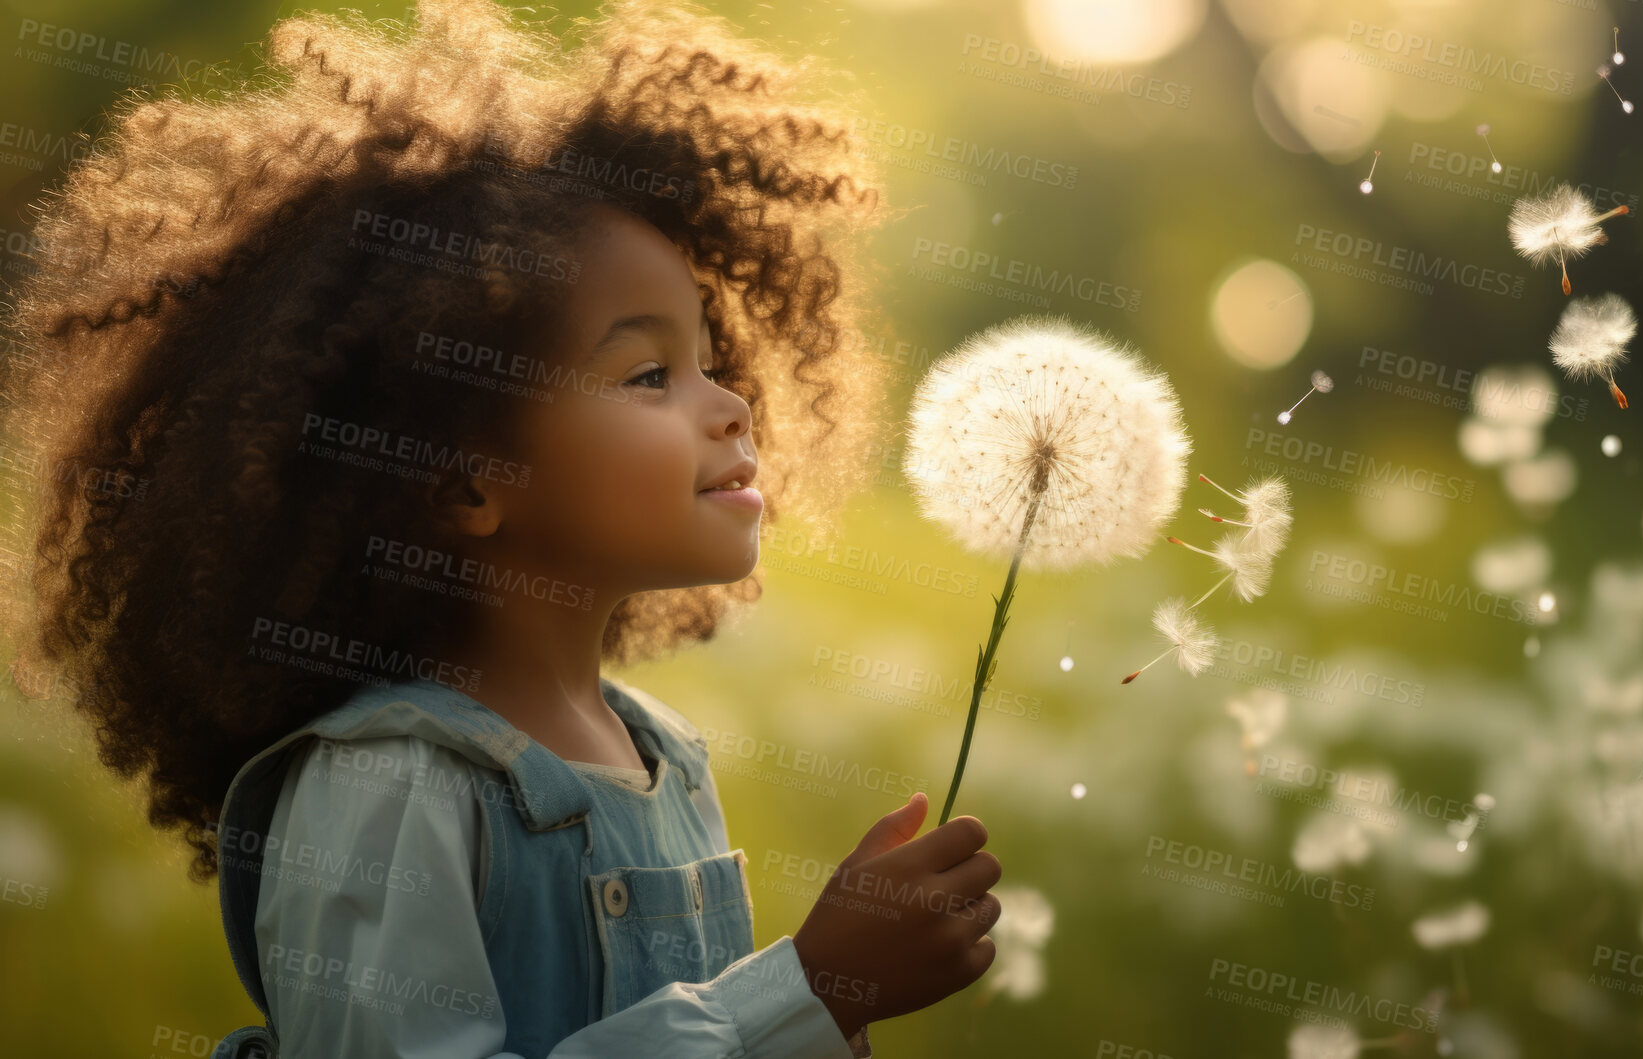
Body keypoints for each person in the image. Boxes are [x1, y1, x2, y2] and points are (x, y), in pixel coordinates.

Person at [0, 1, 999, 1055]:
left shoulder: (663, 754)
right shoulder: (387, 789)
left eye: (712, 361)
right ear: (467, 483)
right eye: (649, 373)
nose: (729, 406)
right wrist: (813, 990)